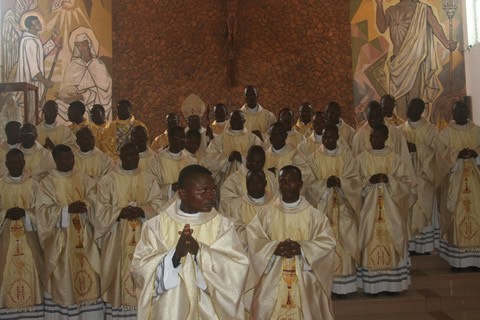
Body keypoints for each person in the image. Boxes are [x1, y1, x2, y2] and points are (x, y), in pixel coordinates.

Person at [131, 164, 249, 319]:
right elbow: (140, 271)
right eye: (204, 190)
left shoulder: (223, 226)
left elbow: (237, 270)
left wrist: (200, 252)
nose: (211, 195)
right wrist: (174, 257)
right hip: (169, 312)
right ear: (182, 193)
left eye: (213, 189)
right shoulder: (156, 226)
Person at [246, 165, 336, 319]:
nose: (285, 185)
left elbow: (327, 244)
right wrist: (274, 247)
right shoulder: (266, 213)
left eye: (290, 181)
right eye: (282, 181)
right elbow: (254, 239)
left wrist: (303, 248)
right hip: (272, 276)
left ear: (300, 184)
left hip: (304, 278)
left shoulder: (315, 216)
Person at [95, 143, 163, 318]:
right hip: (117, 240)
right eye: (128, 156)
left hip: (143, 241)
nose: (132, 159)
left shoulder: (148, 179)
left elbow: (158, 204)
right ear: (120, 157)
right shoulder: (108, 180)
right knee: (118, 278)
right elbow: (100, 210)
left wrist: (142, 211)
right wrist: (119, 212)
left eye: (135, 156)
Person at [36, 144, 103, 319]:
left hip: (85, 239)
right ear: (55, 160)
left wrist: (86, 205)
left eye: (71, 158)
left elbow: (95, 198)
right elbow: (42, 212)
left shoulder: (83, 178)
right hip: (62, 243)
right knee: (64, 283)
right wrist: (66, 210)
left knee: (90, 281)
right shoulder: (47, 183)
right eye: (65, 159)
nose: (69, 162)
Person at [375, 0, 457, 118]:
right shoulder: (391, 11)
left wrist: (446, 43)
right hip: (397, 64)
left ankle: (414, 129)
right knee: (399, 101)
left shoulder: (423, 9)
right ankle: (403, 131)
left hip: (415, 62)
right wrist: (379, 4)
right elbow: (381, 28)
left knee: (414, 99)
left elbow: (435, 26)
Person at [356, 124, 413, 295]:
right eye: (372, 137)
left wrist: (389, 180)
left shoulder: (395, 158)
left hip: (391, 211)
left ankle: (393, 285)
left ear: (386, 138)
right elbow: (352, 184)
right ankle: (372, 286)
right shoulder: (361, 159)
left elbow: (406, 183)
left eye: (378, 137)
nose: (375, 140)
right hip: (369, 211)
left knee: (393, 238)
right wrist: (368, 181)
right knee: (369, 239)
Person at [306, 124, 361, 297]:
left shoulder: (346, 156)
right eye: (325, 137)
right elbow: (307, 184)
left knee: (343, 245)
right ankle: (323, 285)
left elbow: (355, 180)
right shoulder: (313, 158)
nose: (328, 140)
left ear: (338, 137)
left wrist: (341, 182)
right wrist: (323, 184)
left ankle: (343, 287)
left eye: (331, 137)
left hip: (343, 207)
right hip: (322, 208)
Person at [0, 149, 44, 319]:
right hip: (5, 242)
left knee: (31, 272)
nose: (16, 165)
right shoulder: (1, 185)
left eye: (19, 162)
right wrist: (5, 214)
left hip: (30, 241)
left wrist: (26, 214)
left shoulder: (33, 185)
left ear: (24, 163)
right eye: (12, 162)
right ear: (6, 165)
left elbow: (41, 213)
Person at [437, 101, 480, 270]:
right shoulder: (445, 134)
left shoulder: (478, 131)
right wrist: (456, 155)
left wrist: (476, 153)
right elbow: (440, 158)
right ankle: (458, 261)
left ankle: (476, 260)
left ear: (468, 111)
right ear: (452, 113)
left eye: (463, 109)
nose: (460, 113)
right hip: (455, 183)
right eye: (456, 110)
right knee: (456, 215)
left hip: (476, 184)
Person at [398, 98, 438, 254]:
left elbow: (437, 154)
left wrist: (417, 148)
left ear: (422, 111)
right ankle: (409, 245)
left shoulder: (431, 130)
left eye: (415, 108)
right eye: (409, 107)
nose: (410, 110)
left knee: (422, 209)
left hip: (423, 178)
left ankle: (424, 246)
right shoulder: (399, 130)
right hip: (407, 179)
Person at [15, 15, 61, 123]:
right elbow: (32, 67)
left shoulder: (34, 39)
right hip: (30, 83)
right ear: (31, 25)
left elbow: (41, 53)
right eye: (37, 23)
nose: (40, 24)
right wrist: (45, 81)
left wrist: (53, 39)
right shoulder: (28, 41)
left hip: (35, 82)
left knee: (36, 111)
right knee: (31, 112)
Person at [57, 31, 112, 119]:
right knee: (59, 106)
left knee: (87, 111)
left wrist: (83, 96)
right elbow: (67, 85)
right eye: (79, 45)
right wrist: (69, 92)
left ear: (89, 44)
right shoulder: (73, 64)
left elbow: (105, 90)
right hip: (74, 100)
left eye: (84, 44)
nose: (82, 48)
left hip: (93, 101)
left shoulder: (98, 64)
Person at [204, 110, 262, 185]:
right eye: (233, 119)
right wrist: (227, 159)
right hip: (225, 181)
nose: (235, 121)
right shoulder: (220, 140)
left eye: (238, 119)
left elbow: (260, 158)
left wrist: (242, 158)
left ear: (244, 121)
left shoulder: (253, 139)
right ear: (229, 120)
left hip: (248, 181)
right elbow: (210, 159)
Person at [147, 126, 197, 207]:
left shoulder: (191, 161)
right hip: (164, 207)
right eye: (180, 138)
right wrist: (170, 188)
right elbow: (151, 188)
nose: (183, 141)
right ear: (170, 139)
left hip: (186, 207)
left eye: (184, 137)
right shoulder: (157, 161)